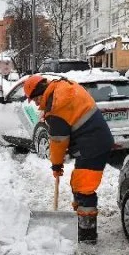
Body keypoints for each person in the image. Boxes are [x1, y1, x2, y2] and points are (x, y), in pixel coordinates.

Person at [24, 74, 114, 244]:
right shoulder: (64, 86)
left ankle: (87, 235)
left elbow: (58, 141)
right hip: (94, 141)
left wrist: (56, 165)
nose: (36, 104)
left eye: (35, 100)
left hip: (92, 146)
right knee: (78, 183)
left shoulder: (55, 106)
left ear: (39, 93)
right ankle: (78, 222)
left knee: (83, 188)